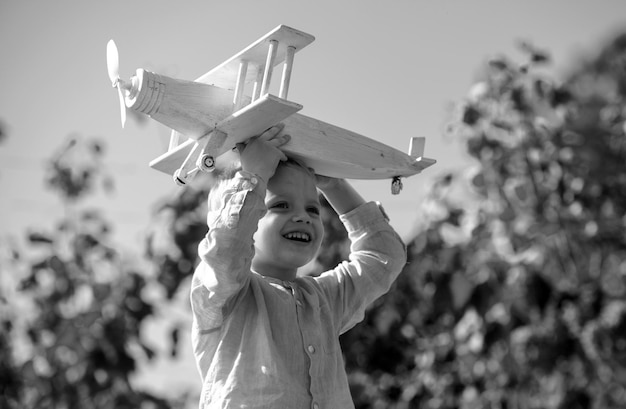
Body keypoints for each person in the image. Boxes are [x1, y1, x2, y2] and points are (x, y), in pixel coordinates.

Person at [190, 124, 407, 408]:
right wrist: (253, 177)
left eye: (313, 209)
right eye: (280, 206)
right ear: (246, 214)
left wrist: (333, 185)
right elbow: (226, 249)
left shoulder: (324, 300)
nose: (303, 217)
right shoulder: (226, 294)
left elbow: (384, 255)